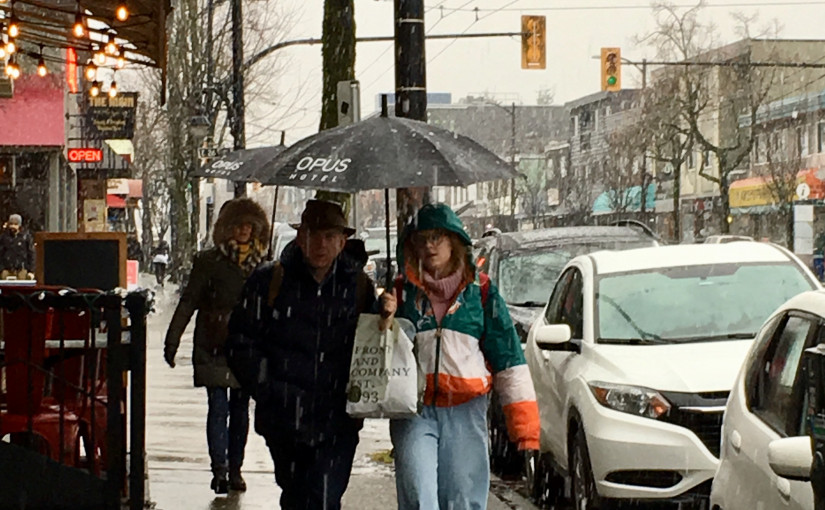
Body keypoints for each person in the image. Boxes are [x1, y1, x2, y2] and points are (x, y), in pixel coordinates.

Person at [226, 199, 393, 510]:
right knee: (296, 498)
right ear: (300, 237)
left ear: (343, 241)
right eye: (314, 235)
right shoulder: (270, 280)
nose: (321, 244)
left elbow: (373, 346)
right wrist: (269, 389)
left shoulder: (357, 285)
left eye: (330, 237)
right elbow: (240, 341)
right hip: (284, 419)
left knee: (323, 499)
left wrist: (385, 314)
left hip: (336, 421)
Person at [384, 203, 540, 510]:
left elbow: (507, 357)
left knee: (464, 500)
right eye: (423, 238)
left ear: (454, 241)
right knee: (418, 496)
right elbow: (383, 353)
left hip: (466, 411)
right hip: (414, 409)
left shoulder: (481, 292)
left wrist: (524, 428)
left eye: (438, 237)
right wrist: (385, 318)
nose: (430, 246)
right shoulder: (401, 293)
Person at [163, 198, 270, 494]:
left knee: (240, 410)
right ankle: (220, 470)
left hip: (248, 346)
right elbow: (189, 300)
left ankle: (235, 468)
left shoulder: (263, 265)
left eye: (249, 225)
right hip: (214, 344)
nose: (244, 230)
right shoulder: (209, 262)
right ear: (227, 229)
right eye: (238, 225)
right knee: (218, 406)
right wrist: (173, 339)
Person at [0, 213, 35, 280]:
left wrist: (31, 271)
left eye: (15, 224)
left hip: (22, 269)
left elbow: (31, 254)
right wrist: (1, 268)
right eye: (11, 224)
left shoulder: (26, 237)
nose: (13, 226)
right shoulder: (4, 237)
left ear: (19, 225)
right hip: (6, 269)